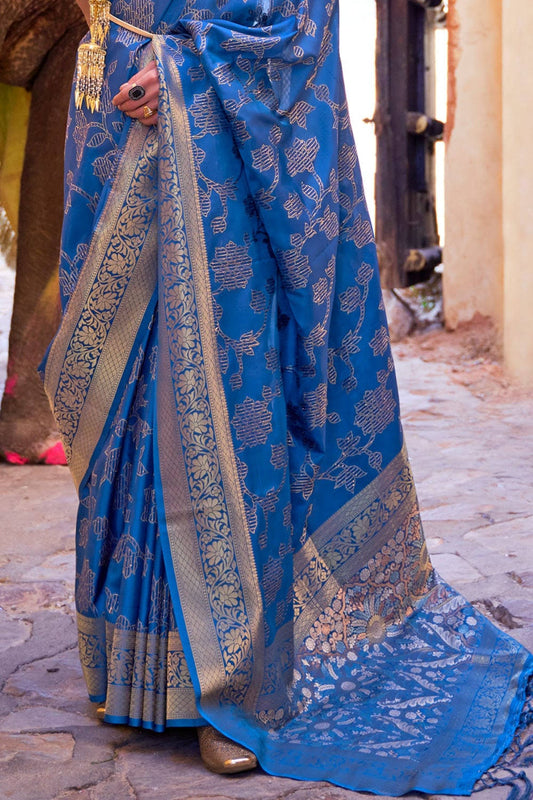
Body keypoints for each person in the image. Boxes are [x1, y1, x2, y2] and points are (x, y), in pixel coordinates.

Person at [41, 0, 532, 793]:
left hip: (221, 141)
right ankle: (136, 667)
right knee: (126, 392)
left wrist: (185, 72)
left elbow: (296, 20)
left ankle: (233, 686)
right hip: (115, 120)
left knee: (222, 388)